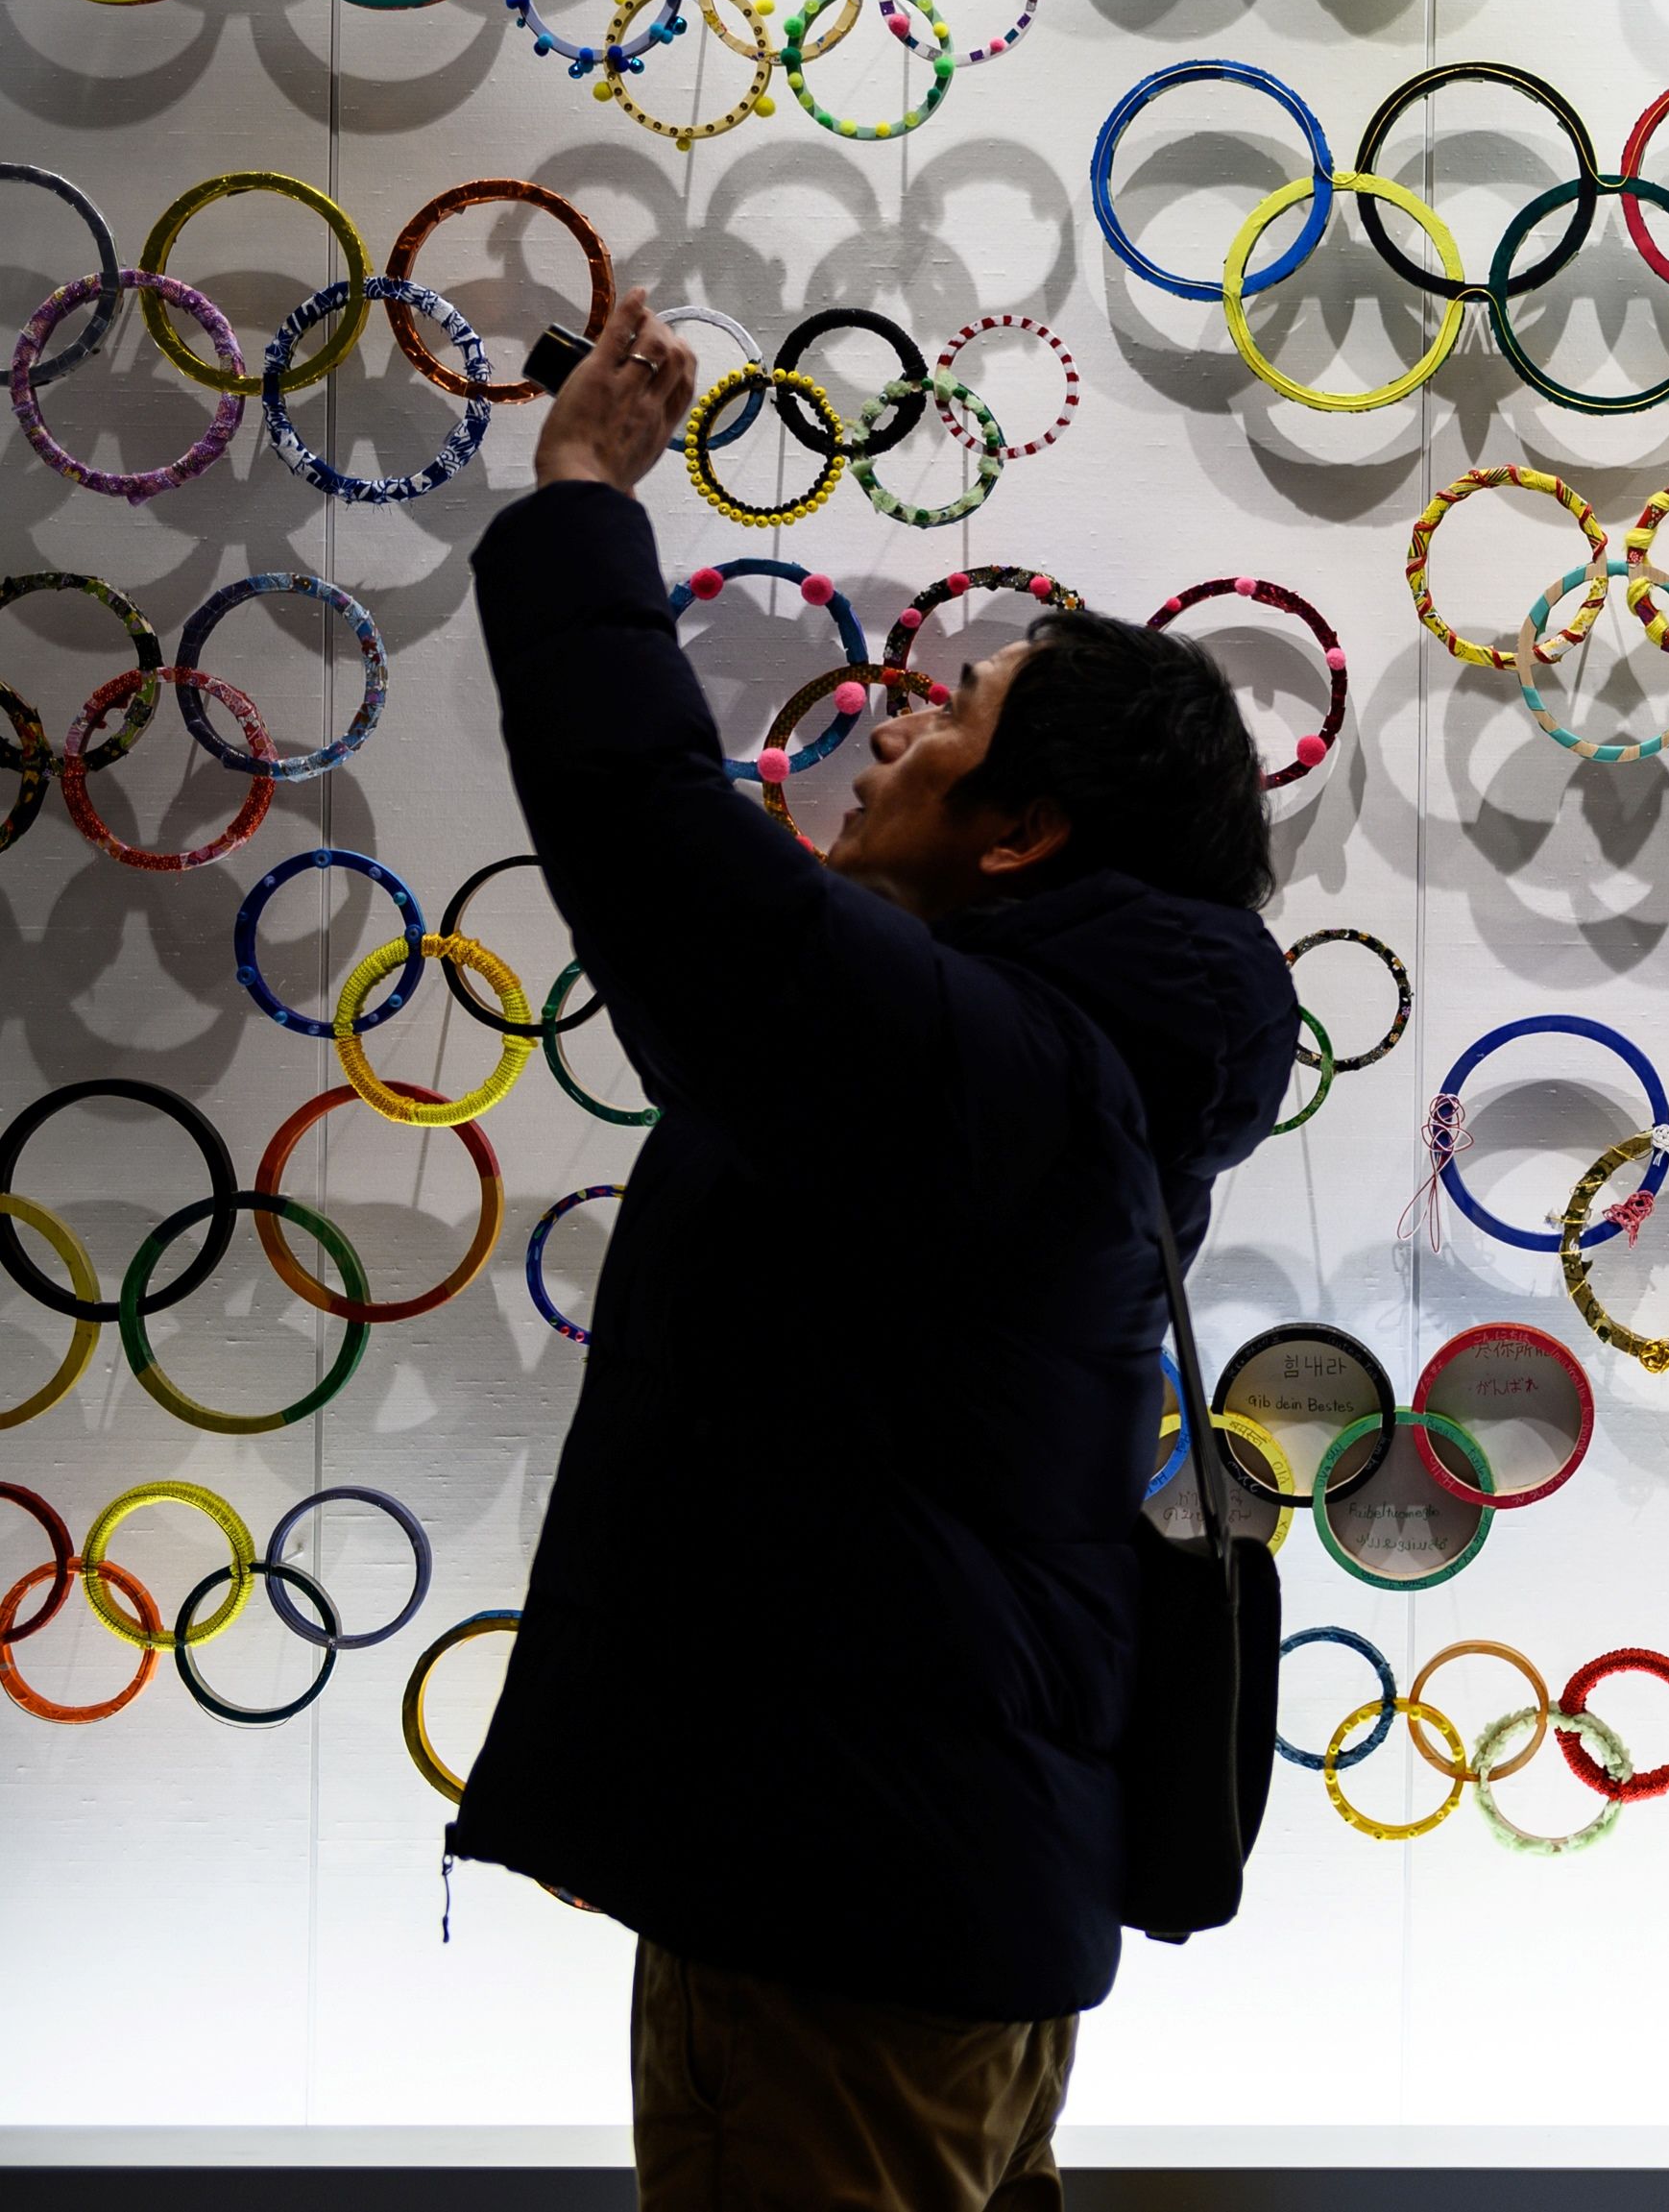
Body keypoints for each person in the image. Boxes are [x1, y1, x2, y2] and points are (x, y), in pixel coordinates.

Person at [456, 289, 1302, 2211]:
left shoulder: (985, 1073)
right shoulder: (1064, 1072)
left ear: (1023, 835)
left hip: (846, 1917)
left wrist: (584, 500)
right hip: (934, 1893)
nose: (897, 727)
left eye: (959, 721)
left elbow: (658, 852)